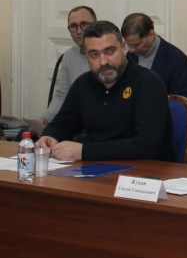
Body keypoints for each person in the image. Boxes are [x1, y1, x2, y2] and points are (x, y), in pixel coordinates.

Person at [37, 21, 173, 162]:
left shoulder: (148, 83)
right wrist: (49, 137)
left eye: (110, 51)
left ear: (123, 47)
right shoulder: (83, 84)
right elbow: (62, 124)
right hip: (96, 167)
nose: (103, 62)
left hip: (147, 170)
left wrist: (84, 151)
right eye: (94, 54)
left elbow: (146, 145)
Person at [122, 13, 187, 103]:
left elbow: (179, 106)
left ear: (151, 35)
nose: (131, 50)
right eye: (129, 45)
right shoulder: (130, 57)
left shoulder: (178, 61)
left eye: (137, 45)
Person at [42, 6, 97, 126]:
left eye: (84, 24)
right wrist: (46, 118)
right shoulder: (69, 56)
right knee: (25, 133)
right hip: (74, 122)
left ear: (95, 25)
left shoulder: (107, 56)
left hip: (98, 123)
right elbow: (63, 94)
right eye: (73, 26)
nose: (79, 31)